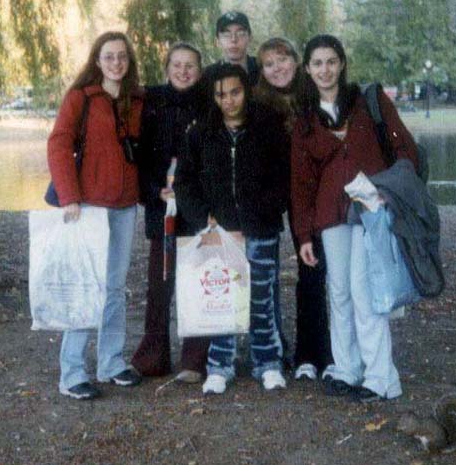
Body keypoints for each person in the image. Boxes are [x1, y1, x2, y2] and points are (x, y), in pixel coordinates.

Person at [290, 34, 419, 402]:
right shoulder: (305, 119)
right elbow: (301, 183)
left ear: (342, 63)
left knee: (366, 292)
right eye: (317, 63)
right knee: (340, 292)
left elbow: (403, 148)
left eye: (331, 61)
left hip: (369, 212)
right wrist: (303, 236)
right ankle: (347, 368)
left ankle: (381, 377)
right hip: (331, 215)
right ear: (308, 69)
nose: (325, 70)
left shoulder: (369, 102)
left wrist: (388, 190)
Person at [174, 63, 288, 395]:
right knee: (220, 298)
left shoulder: (268, 127)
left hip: (260, 229)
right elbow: (185, 182)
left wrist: (257, 215)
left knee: (261, 299)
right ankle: (220, 366)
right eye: (221, 94)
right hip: (219, 232)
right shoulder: (200, 133)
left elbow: (282, 181)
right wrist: (205, 218)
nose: (228, 100)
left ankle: (267, 363)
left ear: (246, 90)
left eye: (235, 92)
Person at [47, 31, 144, 400]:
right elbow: (58, 144)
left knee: (115, 286)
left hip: (124, 206)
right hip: (88, 205)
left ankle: (111, 362)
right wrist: (69, 196)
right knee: (87, 286)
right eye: (109, 57)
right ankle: (71, 372)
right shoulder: (81, 98)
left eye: (122, 57)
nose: (116, 63)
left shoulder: (136, 99)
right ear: (97, 60)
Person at [131, 42, 210, 383]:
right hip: (161, 204)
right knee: (159, 282)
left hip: (197, 205)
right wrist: (154, 191)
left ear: (199, 70)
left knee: (197, 278)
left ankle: (195, 358)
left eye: (190, 65)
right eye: (177, 65)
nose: (183, 71)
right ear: (167, 68)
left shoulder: (209, 103)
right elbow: (140, 156)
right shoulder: (151, 100)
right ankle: (154, 355)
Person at [255, 37, 333, 381]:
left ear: (296, 61)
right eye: (269, 64)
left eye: (282, 60)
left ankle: (320, 351)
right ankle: (282, 347)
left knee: (313, 269)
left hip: (311, 193)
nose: (277, 68)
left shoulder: (312, 95)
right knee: (266, 272)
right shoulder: (257, 104)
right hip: (272, 194)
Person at [203, 11, 260, 88]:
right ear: (217, 41)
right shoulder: (207, 76)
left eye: (240, 33)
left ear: (250, 38)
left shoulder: (263, 69)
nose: (233, 39)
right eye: (226, 35)